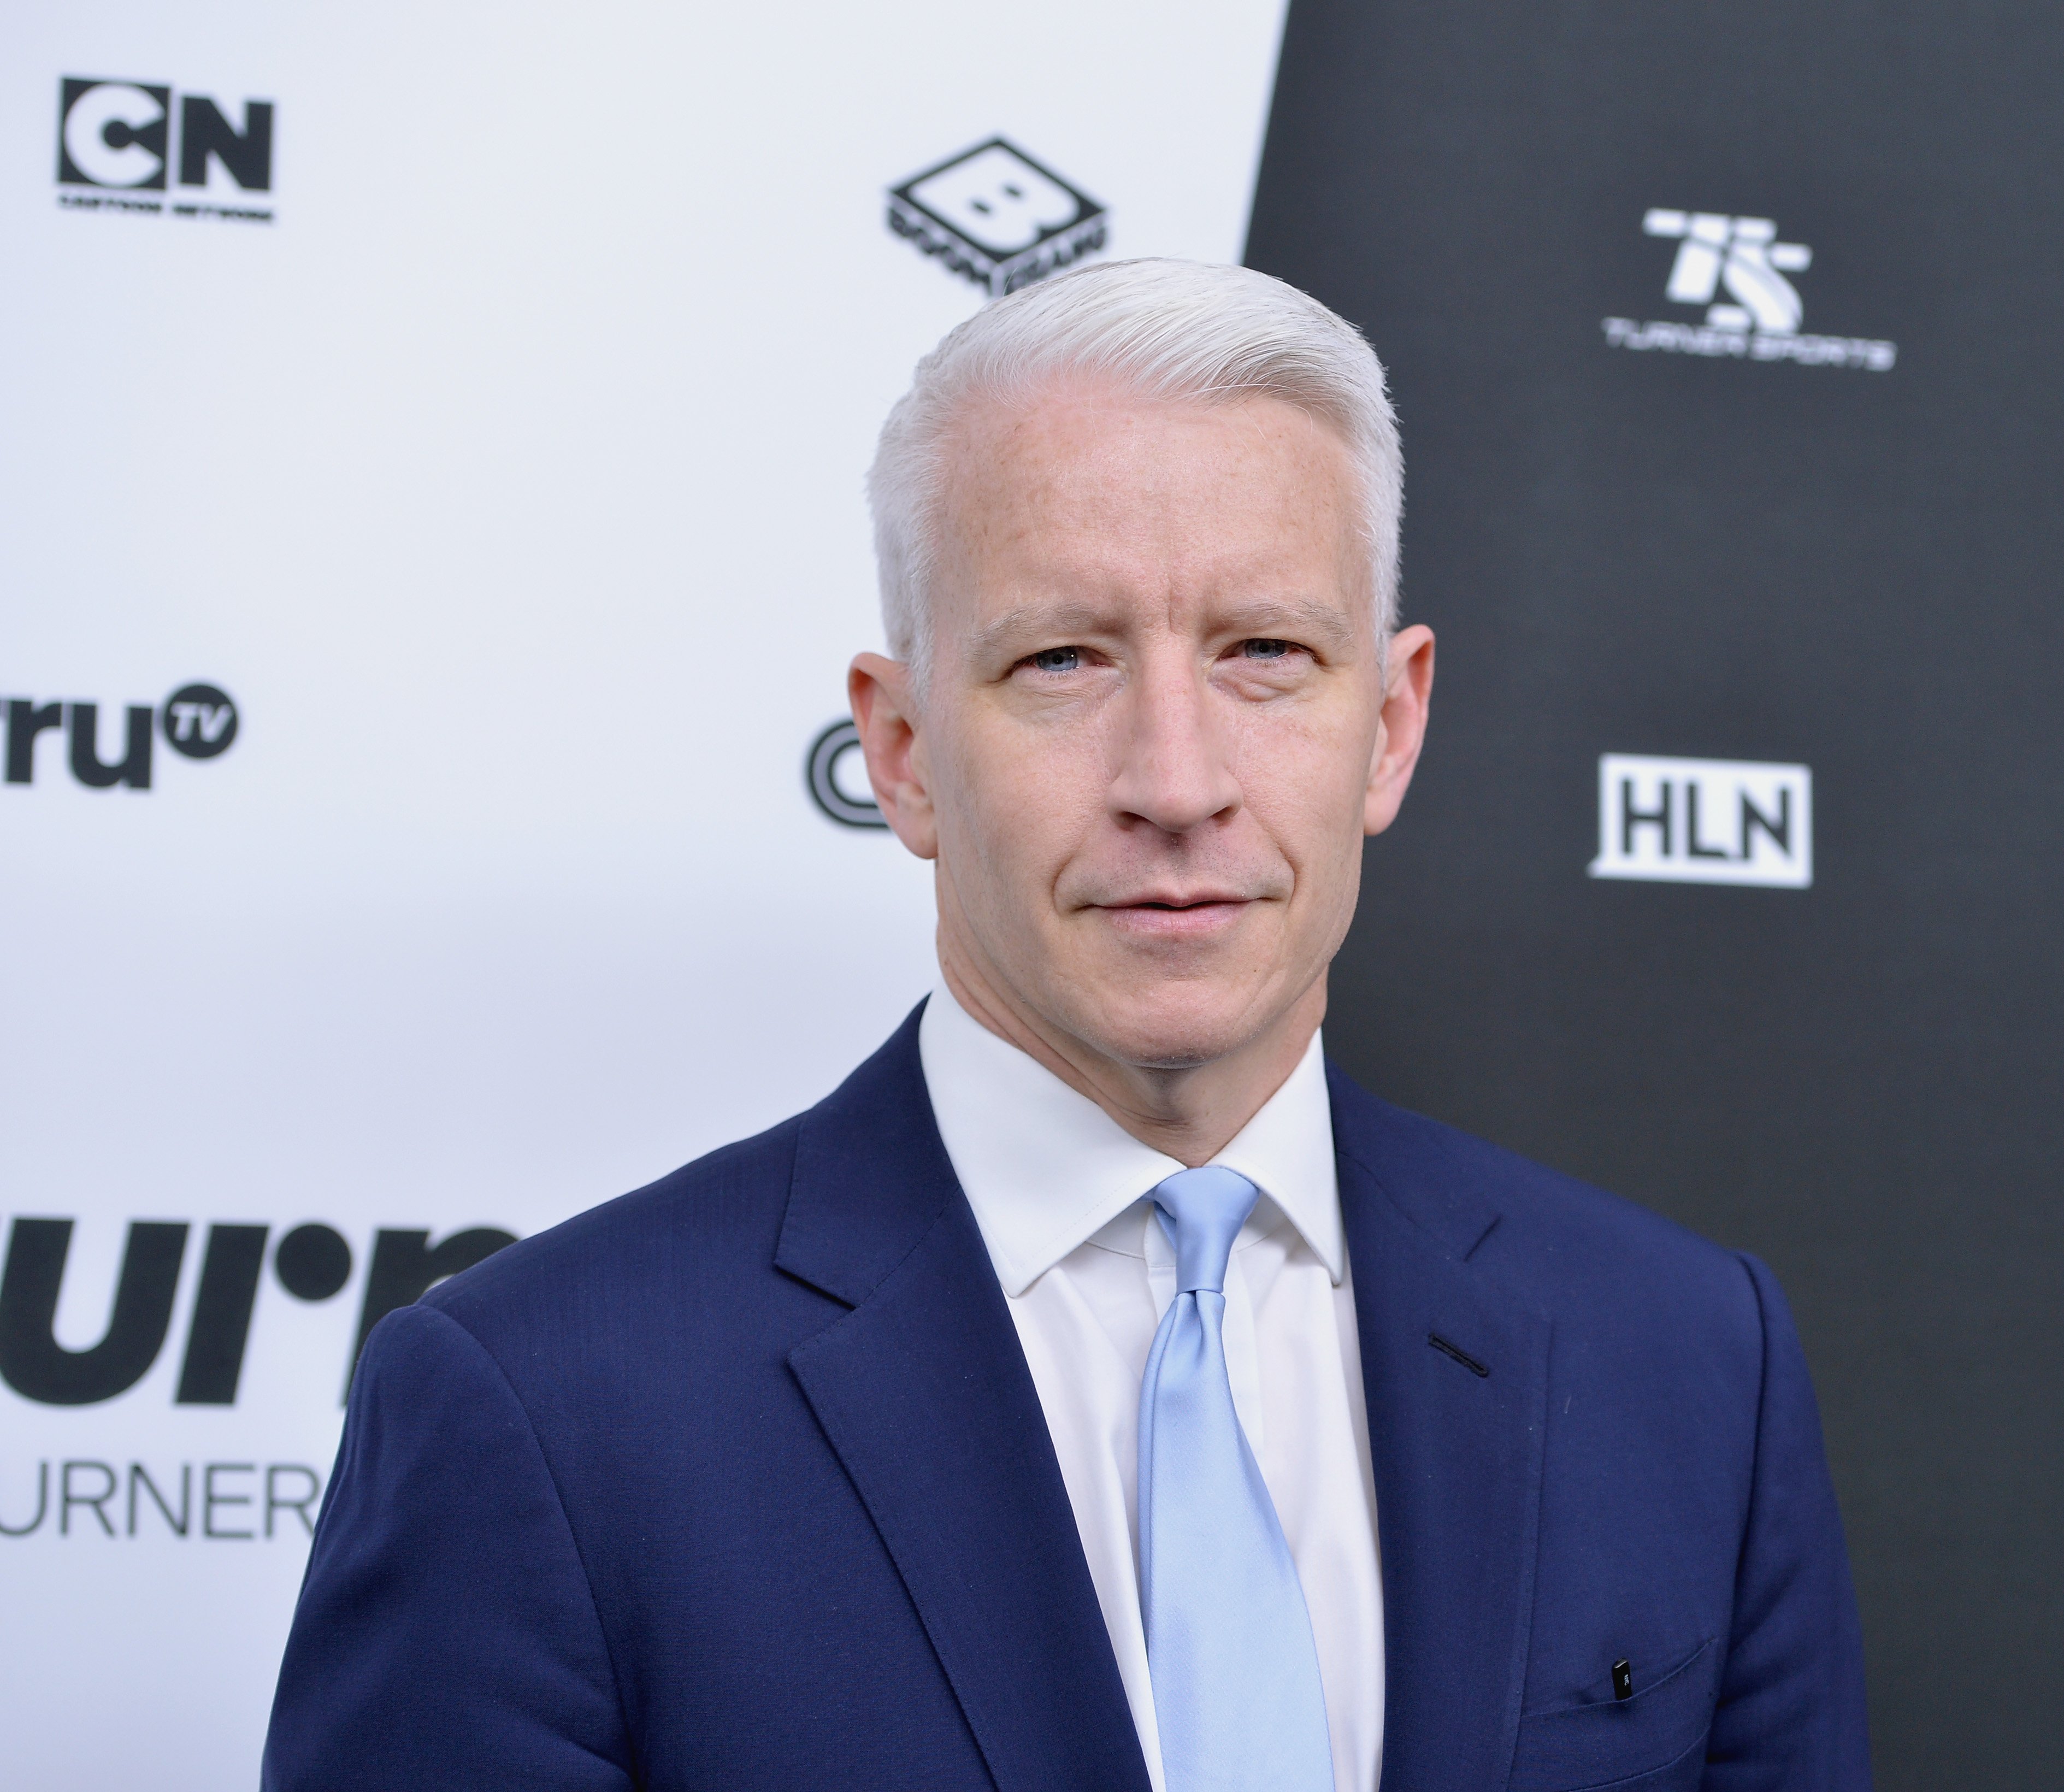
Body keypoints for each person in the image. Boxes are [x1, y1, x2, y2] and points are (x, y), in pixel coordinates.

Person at [262, 258, 1870, 1792]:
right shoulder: (542, 1414)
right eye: (1062, 660)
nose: (1174, 781)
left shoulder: (1685, 1362)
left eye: (1264, 654)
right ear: (898, 753)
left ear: (1388, 727)